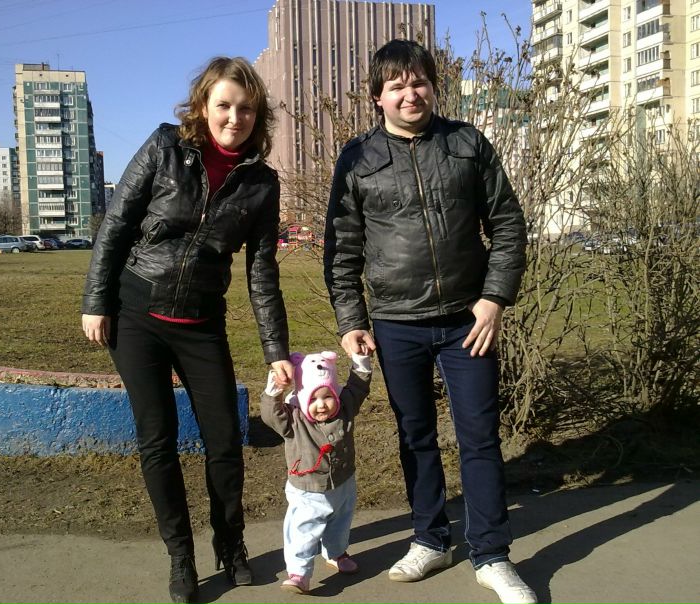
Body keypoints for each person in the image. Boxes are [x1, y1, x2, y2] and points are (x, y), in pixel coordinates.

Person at [323, 40, 535, 604]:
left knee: (479, 437)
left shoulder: (466, 143)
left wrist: (494, 298)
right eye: (396, 86)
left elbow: (508, 225)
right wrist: (351, 320)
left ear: (433, 87)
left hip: (469, 321)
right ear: (377, 97)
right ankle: (430, 539)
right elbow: (342, 250)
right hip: (397, 323)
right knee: (414, 435)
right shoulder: (358, 158)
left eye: (418, 82)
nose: (409, 94)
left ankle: (492, 555)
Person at [81, 56, 293, 604]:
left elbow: (262, 272)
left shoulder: (261, 183)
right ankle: (181, 556)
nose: (234, 118)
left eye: (246, 109)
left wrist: (276, 350)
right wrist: (96, 301)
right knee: (158, 441)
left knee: (225, 441)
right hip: (137, 317)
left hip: (202, 323)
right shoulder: (164, 147)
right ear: (202, 105)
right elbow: (116, 224)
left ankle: (231, 543)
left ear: (258, 116)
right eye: (224, 105)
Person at [260, 350, 371, 595]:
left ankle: (336, 553)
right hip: (307, 489)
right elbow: (270, 415)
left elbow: (358, 388)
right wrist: (274, 390)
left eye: (327, 396)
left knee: (340, 523)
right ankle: (299, 572)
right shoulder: (294, 420)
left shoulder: (345, 408)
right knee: (303, 529)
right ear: (301, 397)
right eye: (313, 399)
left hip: (343, 483)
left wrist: (361, 361)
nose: (321, 405)